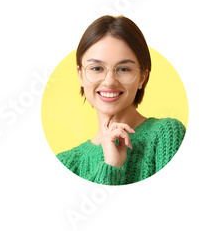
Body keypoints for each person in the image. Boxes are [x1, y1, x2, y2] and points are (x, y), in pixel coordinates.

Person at [56, 15, 185, 185]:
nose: (110, 81)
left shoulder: (166, 135)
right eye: (96, 68)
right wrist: (111, 166)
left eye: (124, 69)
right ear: (80, 75)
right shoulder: (65, 163)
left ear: (142, 77)